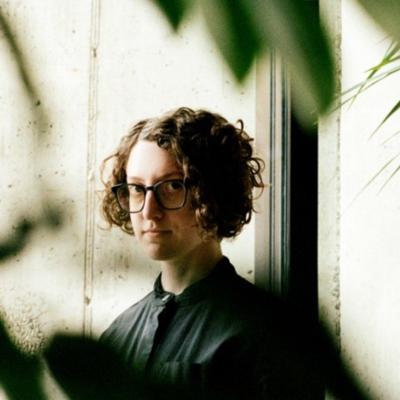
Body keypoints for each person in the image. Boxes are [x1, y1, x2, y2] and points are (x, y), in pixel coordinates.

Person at [98, 107, 369, 400]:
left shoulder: (269, 332)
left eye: (173, 186)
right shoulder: (116, 336)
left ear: (212, 193)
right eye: (137, 189)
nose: (149, 211)